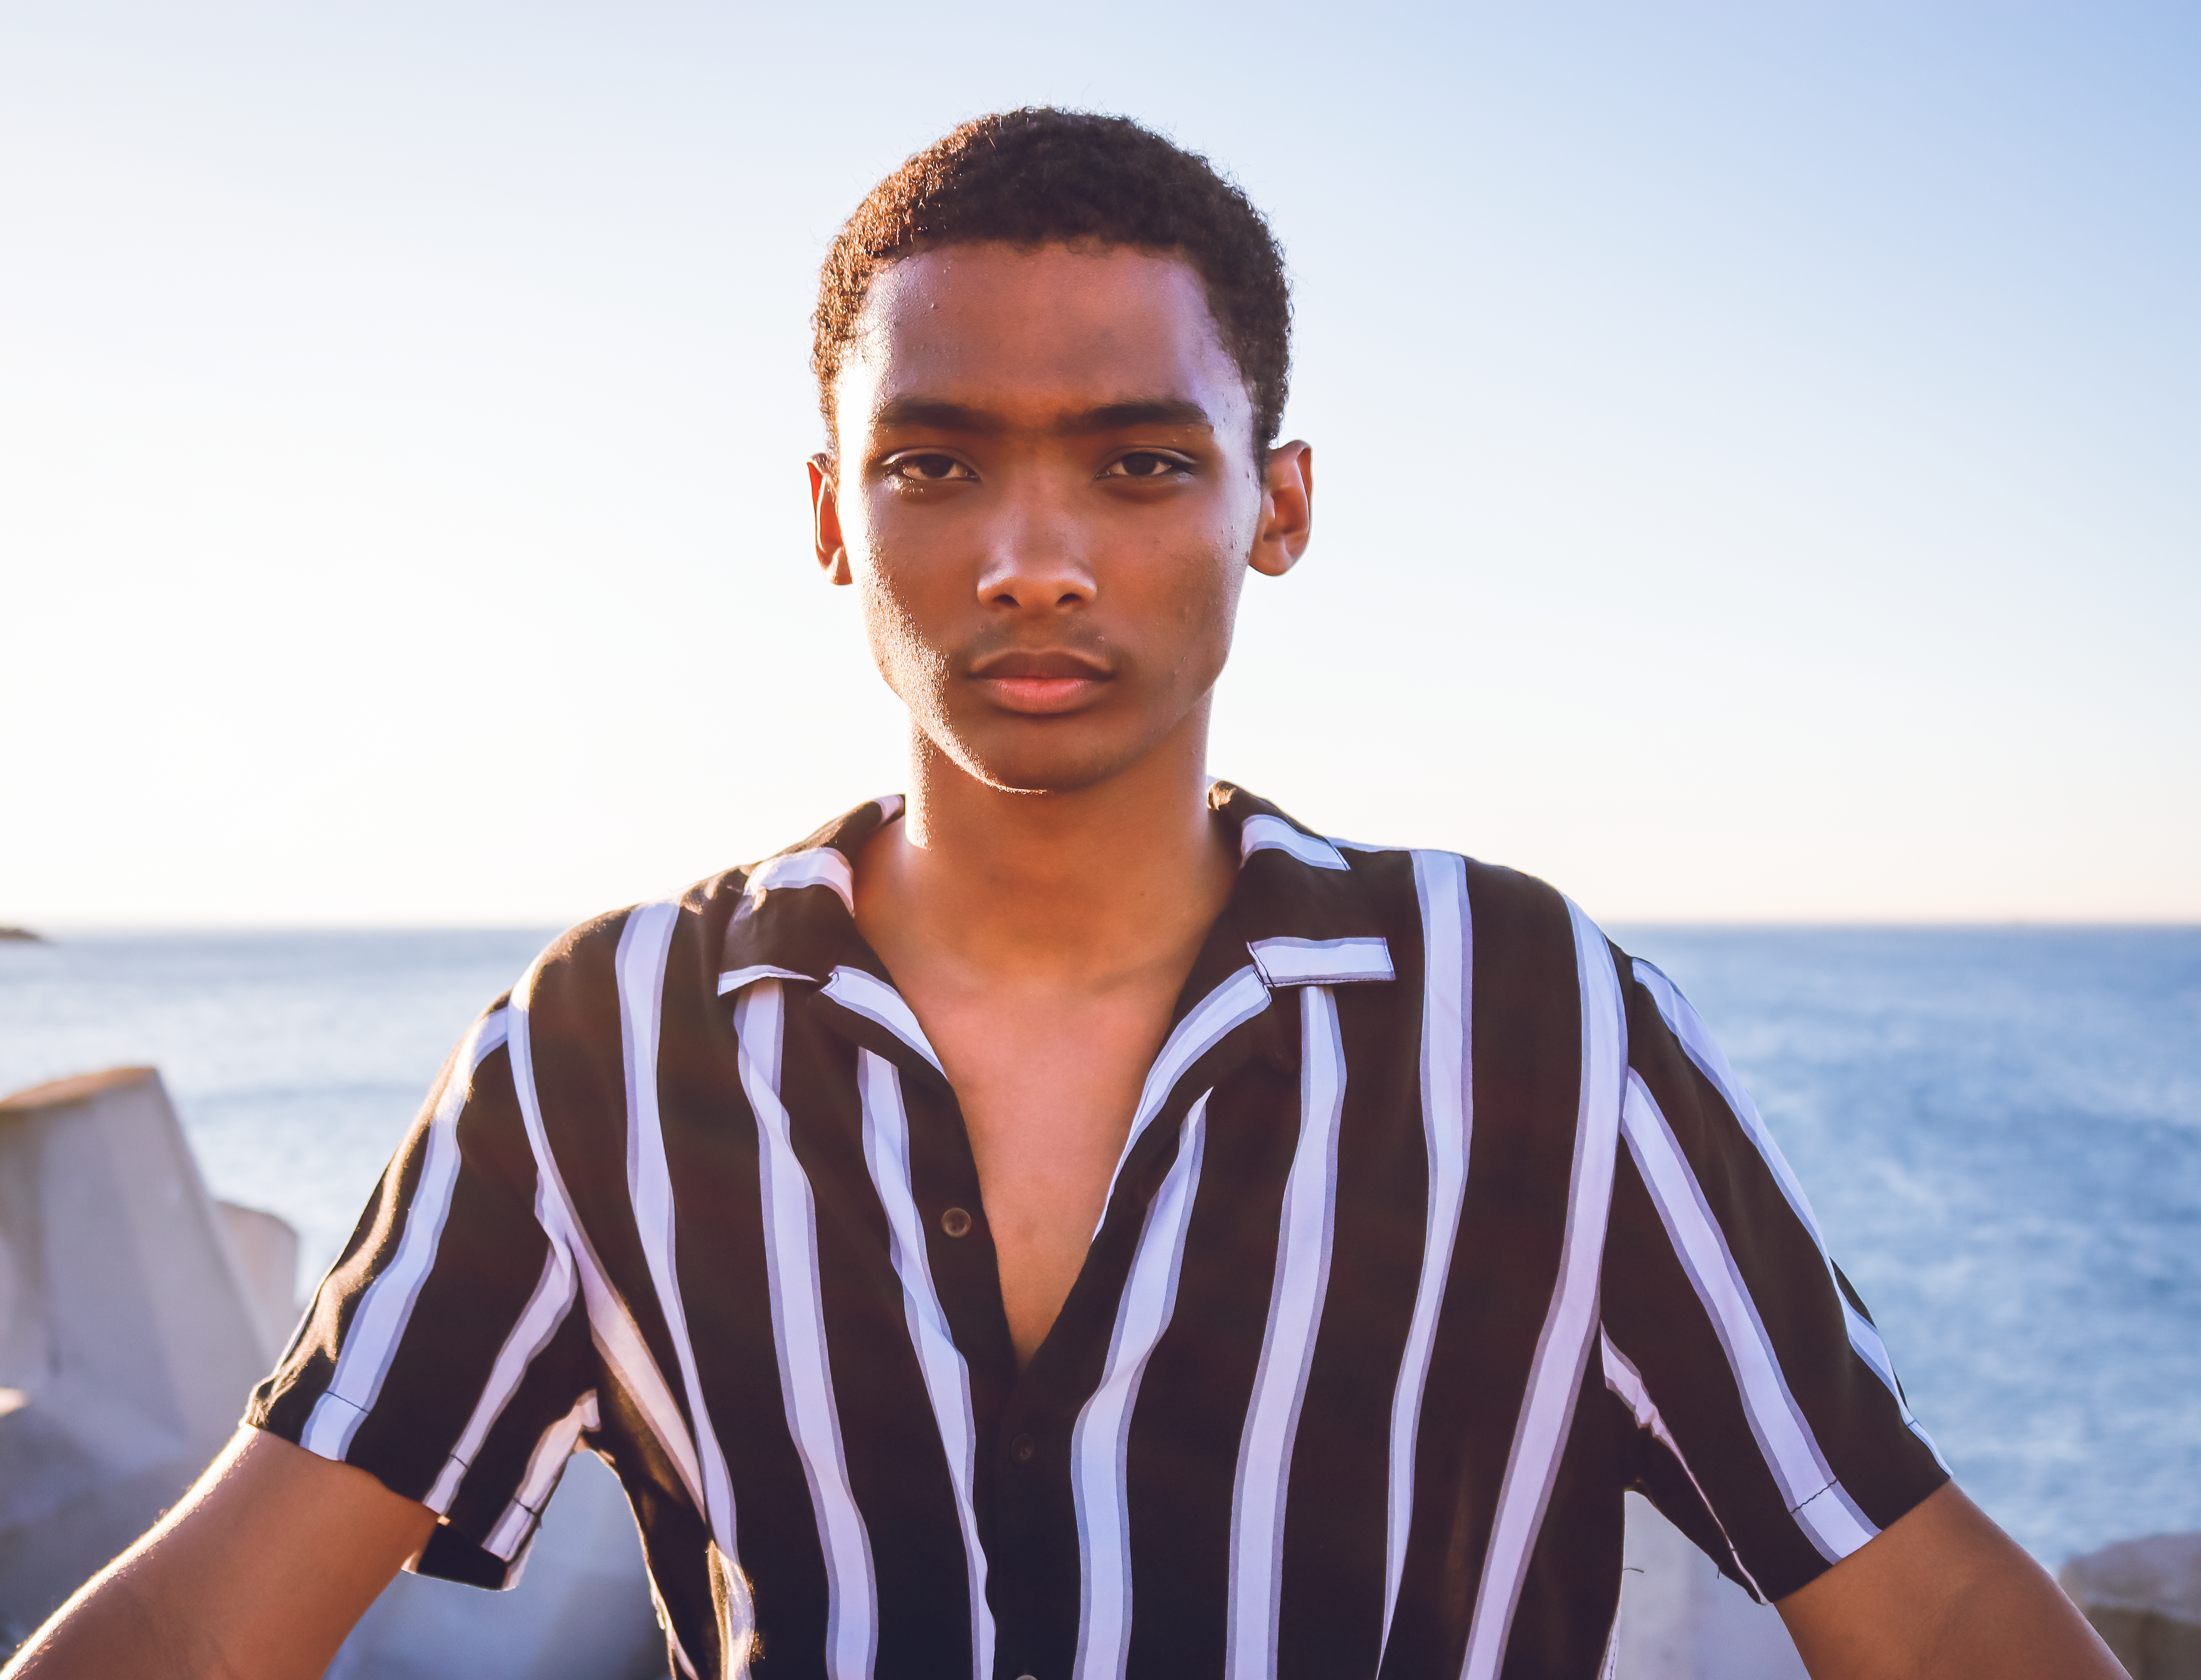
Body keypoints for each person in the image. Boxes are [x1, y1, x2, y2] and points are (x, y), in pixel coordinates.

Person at [6, 109, 2123, 1680]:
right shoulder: (604, 1048)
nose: (1033, 554)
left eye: (1135, 461)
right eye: (937, 463)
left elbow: (1915, 1598)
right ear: (834, 513)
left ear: (1270, 505)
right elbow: (216, 1620)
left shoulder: (1525, 1020)